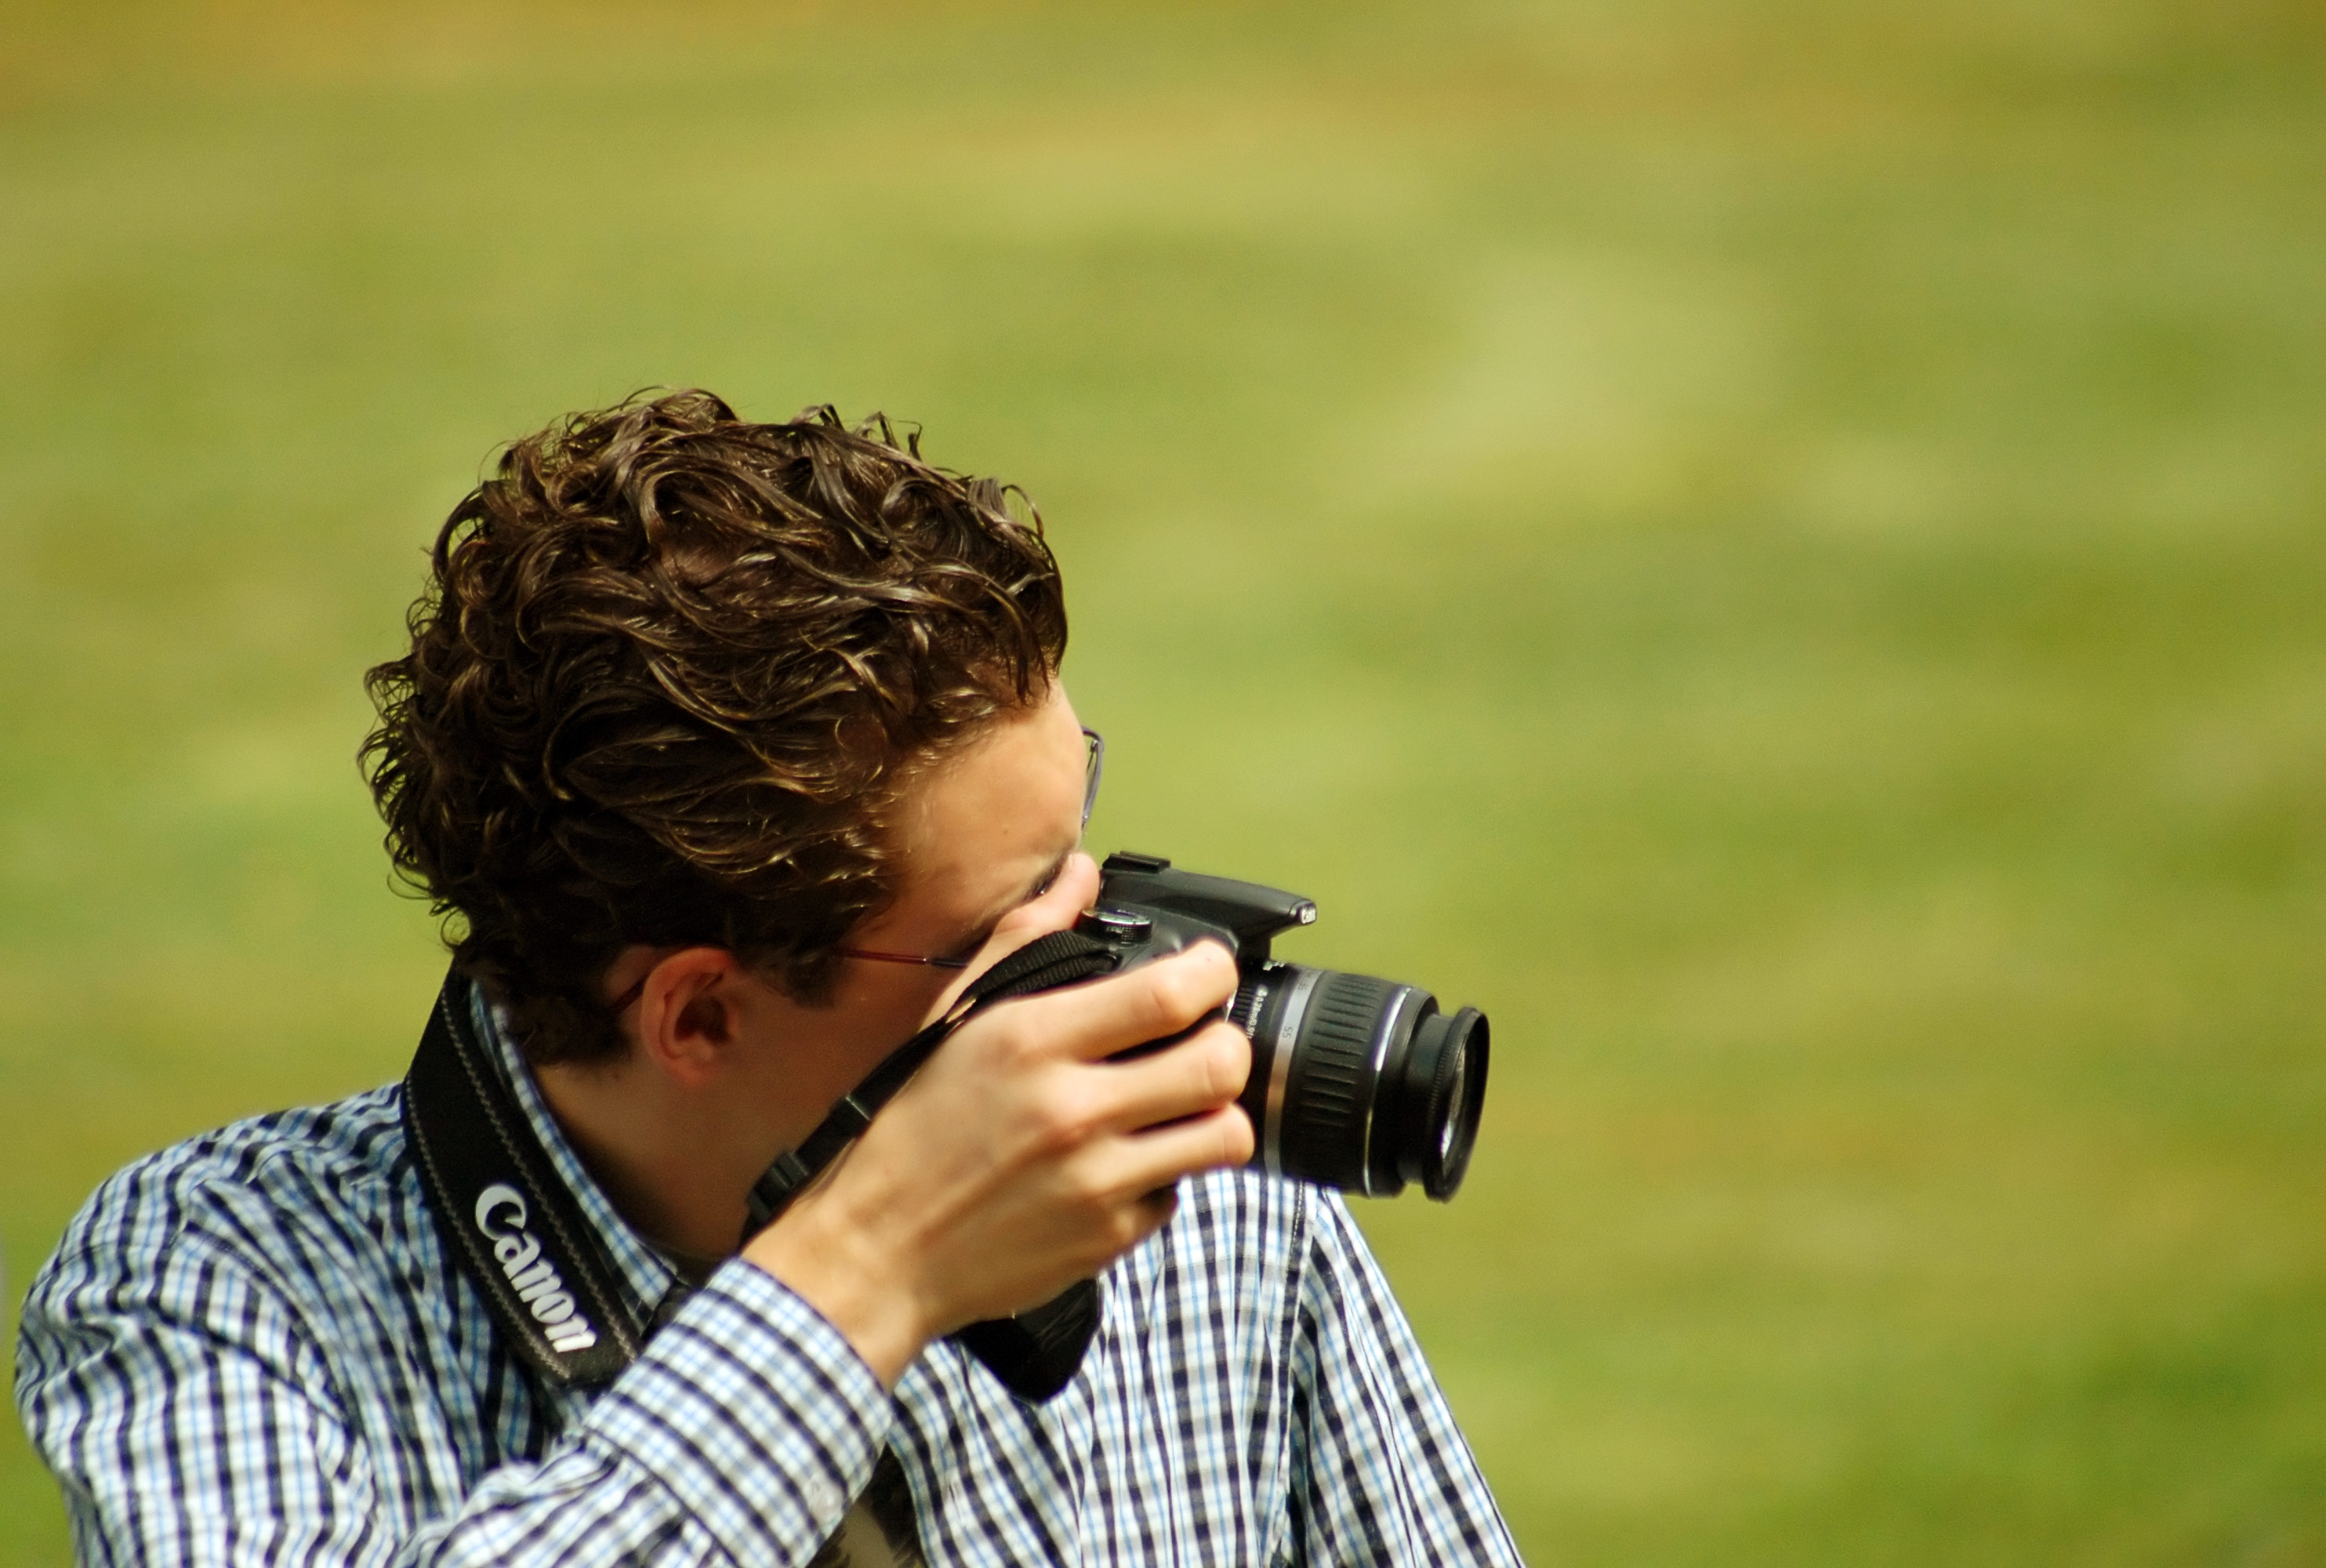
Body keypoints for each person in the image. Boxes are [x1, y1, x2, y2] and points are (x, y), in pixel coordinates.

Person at [16, 391, 1521, 1566]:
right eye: (1015, 917)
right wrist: (858, 1285)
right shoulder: (219, 1281)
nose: (1127, 961)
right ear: (700, 1013)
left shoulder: (1203, 1202)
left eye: (1090, 849)